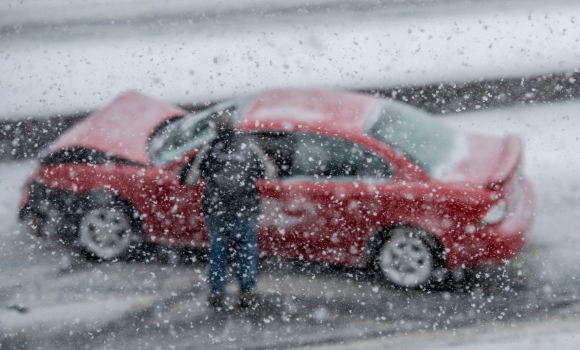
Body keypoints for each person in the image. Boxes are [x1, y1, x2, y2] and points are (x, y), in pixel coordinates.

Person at [185, 110, 275, 310]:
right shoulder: (249, 147)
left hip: (217, 211)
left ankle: (217, 295)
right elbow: (268, 173)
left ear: (215, 128)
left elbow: (191, 179)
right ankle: (247, 293)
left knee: (217, 253)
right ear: (234, 126)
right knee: (247, 252)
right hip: (245, 209)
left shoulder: (209, 148)